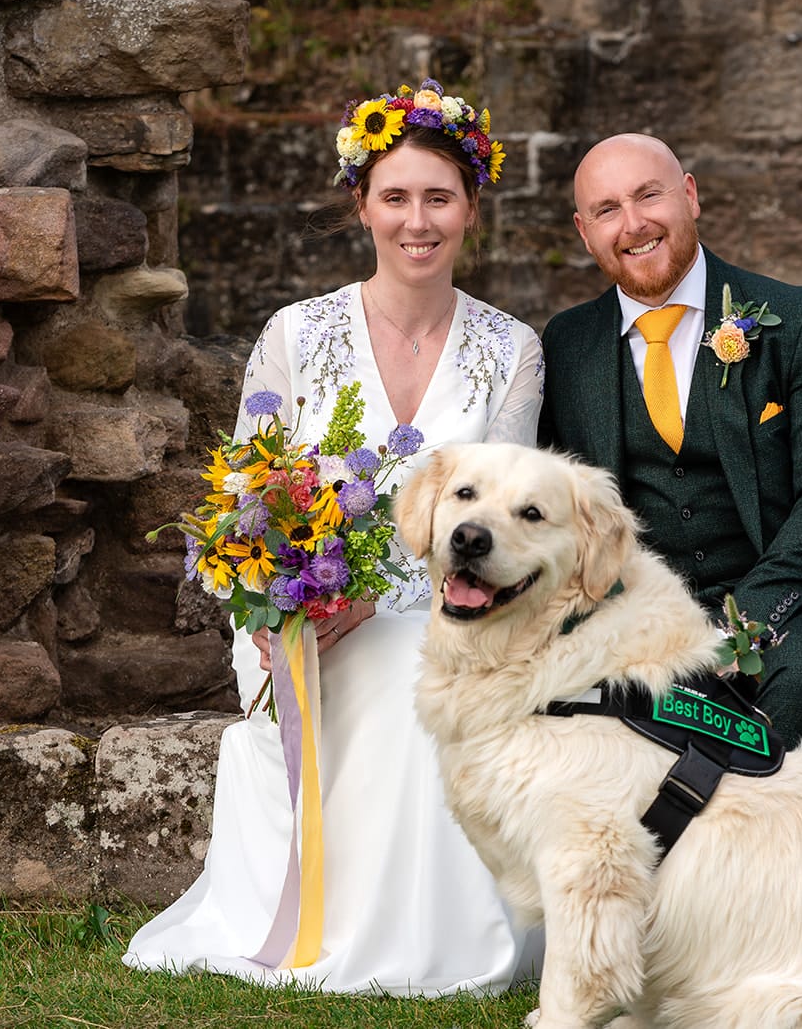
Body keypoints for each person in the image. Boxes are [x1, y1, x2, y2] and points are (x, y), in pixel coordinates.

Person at [124, 80, 544, 994]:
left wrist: (393, 600)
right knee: (376, 664)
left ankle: (430, 939)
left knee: (416, 666)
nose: (417, 221)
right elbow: (245, 499)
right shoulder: (297, 334)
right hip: (303, 620)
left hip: (458, 615)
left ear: (472, 207)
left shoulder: (513, 349)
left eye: (439, 198)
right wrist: (287, 609)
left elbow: (503, 523)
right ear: (361, 204)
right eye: (395, 197)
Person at [538, 132, 802, 749]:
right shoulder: (565, 344)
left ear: (689, 196)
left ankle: (713, 810)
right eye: (607, 210)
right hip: (643, 612)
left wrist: (738, 626)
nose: (633, 224)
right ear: (585, 232)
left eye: (648, 195)